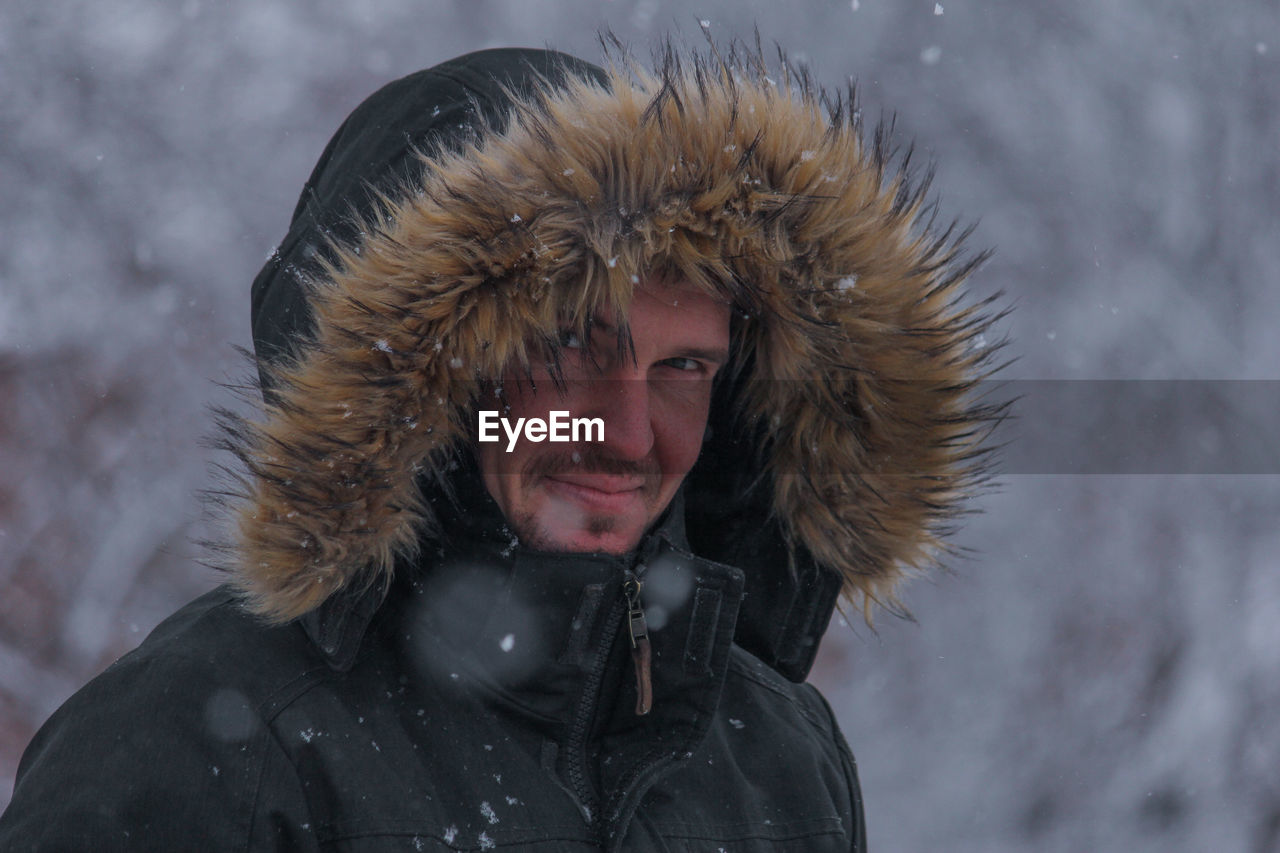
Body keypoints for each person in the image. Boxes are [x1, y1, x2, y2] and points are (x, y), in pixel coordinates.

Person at [0, 41, 999, 851]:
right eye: (568, 353)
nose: (624, 432)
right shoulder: (203, 740)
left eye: (682, 368)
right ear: (426, 378)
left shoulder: (776, 752)